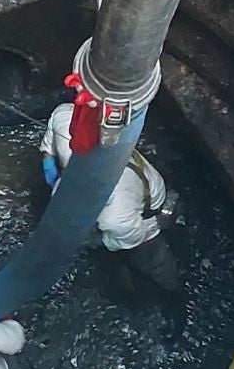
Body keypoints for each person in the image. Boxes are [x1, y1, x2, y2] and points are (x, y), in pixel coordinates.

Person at [40, 102, 181, 295]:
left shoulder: (116, 213)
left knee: (155, 263)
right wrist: (48, 157)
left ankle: (173, 292)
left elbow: (134, 237)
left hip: (143, 222)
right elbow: (60, 115)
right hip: (118, 209)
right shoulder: (68, 133)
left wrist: (97, 241)